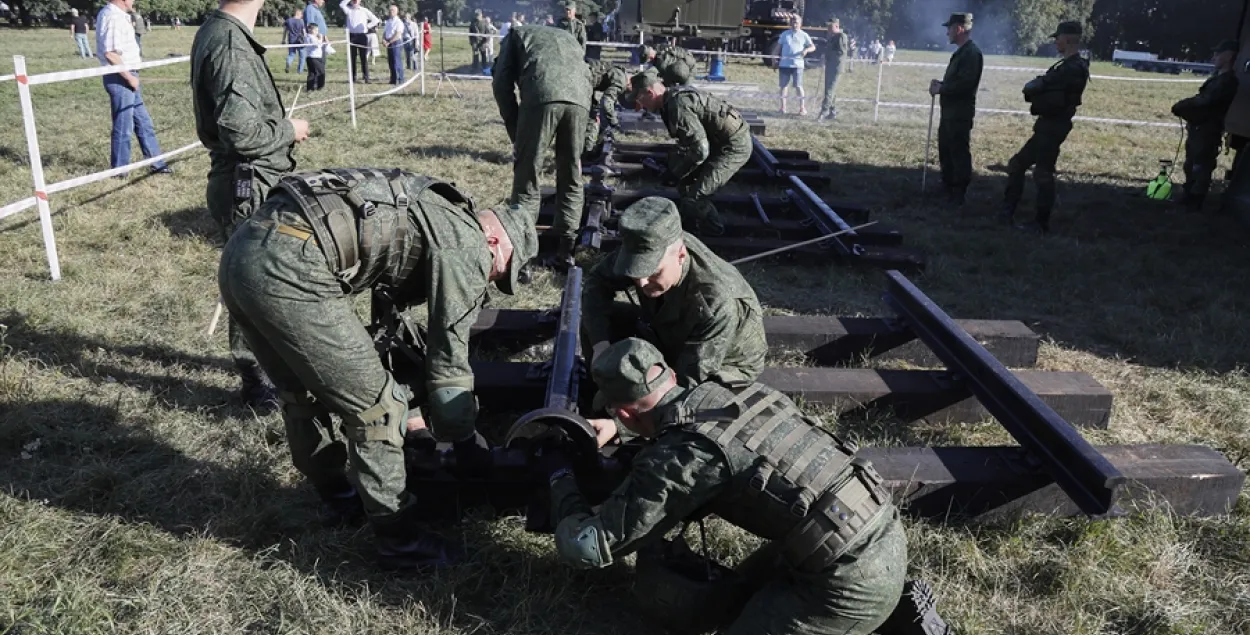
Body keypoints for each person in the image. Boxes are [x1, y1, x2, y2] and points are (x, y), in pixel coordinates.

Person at [217, 168, 538, 570]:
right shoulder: (468, 243)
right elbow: (449, 359)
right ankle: (400, 540)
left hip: (246, 248)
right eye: (500, 271)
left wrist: (418, 421)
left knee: (300, 392)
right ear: (493, 241)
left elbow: (387, 329)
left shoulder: (431, 207)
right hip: (293, 268)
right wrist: (465, 441)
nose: (492, 281)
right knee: (377, 409)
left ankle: (339, 498)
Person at [542, 337, 952, 635]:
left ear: (625, 411)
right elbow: (716, 434)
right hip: (875, 530)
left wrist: (560, 481)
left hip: (846, 580)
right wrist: (621, 429)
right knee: (732, 602)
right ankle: (880, 613)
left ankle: (881, 620)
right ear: (665, 374)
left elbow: (586, 546)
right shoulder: (737, 391)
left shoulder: (684, 457)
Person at [191, 0, 310, 409]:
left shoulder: (222, 32)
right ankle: (258, 381)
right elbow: (242, 134)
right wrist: (289, 129)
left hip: (251, 180)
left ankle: (267, 370)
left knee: (260, 282)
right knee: (253, 285)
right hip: (249, 185)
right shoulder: (228, 42)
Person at [582, 197, 766, 386]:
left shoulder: (717, 301)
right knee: (597, 321)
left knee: (694, 401)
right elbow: (597, 282)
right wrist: (600, 345)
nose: (642, 282)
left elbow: (689, 380)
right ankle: (598, 389)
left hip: (721, 361)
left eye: (652, 272)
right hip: (670, 332)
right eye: (636, 272)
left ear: (681, 256)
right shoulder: (652, 242)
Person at [491, 24, 591, 265]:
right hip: (580, 97)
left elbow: (501, 84)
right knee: (572, 173)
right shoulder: (568, 37)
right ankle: (565, 249)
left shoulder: (515, 36)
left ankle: (522, 255)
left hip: (542, 93)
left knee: (528, 176)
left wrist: (517, 133)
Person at [629, 72, 751, 236]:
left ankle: (714, 237)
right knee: (685, 185)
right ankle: (691, 227)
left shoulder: (677, 105)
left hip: (733, 147)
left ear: (650, 93)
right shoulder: (671, 99)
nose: (640, 106)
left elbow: (700, 150)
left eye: (640, 100)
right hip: (718, 142)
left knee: (696, 197)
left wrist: (676, 171)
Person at [1001, 21, 1089, 234]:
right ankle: (1009, 214)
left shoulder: (1073, 68)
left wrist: (1038, 87)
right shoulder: (1066, 66)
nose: (1056, 42)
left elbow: (1043, 88)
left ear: (1068, 39)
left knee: (1041, 173)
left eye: (1058, 38)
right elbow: (1040, 87)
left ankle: (1038, 223)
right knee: (1021, 166)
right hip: (1048, 125)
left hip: (1053, 126)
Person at [96, 0, 172, 175]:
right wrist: (129, 77)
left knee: (144, 123)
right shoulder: (112, 16)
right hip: (121, 77)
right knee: (124, 126)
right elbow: (110, 53)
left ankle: (157, 163)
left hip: (128, 75)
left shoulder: (119, 15)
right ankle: (120, 171)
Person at [1172, 39, 1240, 212]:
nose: (1214, 57)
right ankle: (1189, 192)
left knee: (1201, 164)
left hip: (1209, 129)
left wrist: (1184, 104)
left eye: (1219, 53)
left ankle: (1196, 198)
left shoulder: (1228, 81)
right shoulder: (1218, 79)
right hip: (1199, 127)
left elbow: (1207, 100)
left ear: (1229, 56)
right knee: (1191, 163)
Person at [929, 12, 983, 207]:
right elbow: (956, 81)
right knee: (946, 148)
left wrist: (942, 88)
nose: (947, 34)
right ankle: (947, 185)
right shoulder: (962, 52)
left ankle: (958, 191)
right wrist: (941, 84)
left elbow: (965, 84)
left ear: (959, 28)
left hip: (959, 113)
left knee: (958, 151)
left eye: (949, 29)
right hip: (950, 112)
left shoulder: (972, 53)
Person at [584, 59, 628, 151]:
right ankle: (586, 150)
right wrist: (615, 123)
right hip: (584, 81)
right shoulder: (622, 80)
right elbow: (606, 103)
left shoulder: (618, 72)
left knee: (592, 115)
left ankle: (585, 148)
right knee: (592, 120)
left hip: (586, 80)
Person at [777, 16, 815, 115]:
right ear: (790, 23)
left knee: (798, 86)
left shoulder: (804, 35)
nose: (794, 24)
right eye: (793, 22)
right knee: (783, 86)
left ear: (800, 24)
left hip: (798, 65)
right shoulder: (785, 34)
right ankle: (783, 108)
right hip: (784, 65)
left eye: (796, 23)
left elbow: (812, 47)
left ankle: (802, 108)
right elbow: (778, 47)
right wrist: (773, 59)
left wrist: (806, 50)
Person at [340, 0, 380, 83]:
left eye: (356, 0)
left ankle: (366, 77)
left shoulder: (364, 10)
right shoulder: (349, 10)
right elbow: (341, 4)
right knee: (352, 58)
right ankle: (353, 78)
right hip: (351, 36)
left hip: (362, 36)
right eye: (353, 0)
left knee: (363, 58)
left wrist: (367, 26)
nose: (355, 1)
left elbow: (375, 20)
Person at [817, 18, 848, 122]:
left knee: (830, 90)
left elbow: (841, 52)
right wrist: (824, 56)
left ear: (836, 26)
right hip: (830, 66)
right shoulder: (832, 37)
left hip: (836, 66)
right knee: (829, 90)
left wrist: (828, 56)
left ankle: (823, 112)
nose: (828, 29)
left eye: (830, 27)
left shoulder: (841, 36)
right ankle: (832, 111)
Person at [383, 4, 405, 84]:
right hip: (388, 43)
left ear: (396, 12)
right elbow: (385, 32)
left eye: (392, 10)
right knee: (391, 62)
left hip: (396, 43)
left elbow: (397, 34)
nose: (390, 12)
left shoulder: (398, 22)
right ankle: (393, 79)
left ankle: (400, 79)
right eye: (390, 10)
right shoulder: (388, 21)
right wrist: (384, 40)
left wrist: (389, 42)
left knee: (397, 61)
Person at [282, 7, 306, 73]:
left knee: (291, 54)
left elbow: (285, 31)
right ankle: (299, 71)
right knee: (302, 56)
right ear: (298, 13)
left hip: (291, 40)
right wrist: (306, 40)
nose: (302, 15)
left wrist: (283, 40)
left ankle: (288, 62)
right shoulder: (301, 21)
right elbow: (304, 32)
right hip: (300, 41)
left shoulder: (288, 20)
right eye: (301, 14)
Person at [305, 23, 327, 91]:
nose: (317, 32)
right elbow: (317, 45)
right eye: (316, 30)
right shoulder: (311, 37)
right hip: (315, 57)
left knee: (312, 73)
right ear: (311, 30)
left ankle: (310, 88)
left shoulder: (307, 36)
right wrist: (320, 38)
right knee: (321, 72)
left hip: (310, 57)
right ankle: (320, 87)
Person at [469, 8, 488, 73]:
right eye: (476, 15)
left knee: (484, 57)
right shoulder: (473, 22)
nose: (477, 17)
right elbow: (470, 32)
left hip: (482, 42)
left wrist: (486, 42)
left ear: (481, 14)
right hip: (475, 43)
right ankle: (475, 69)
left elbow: (487, 32)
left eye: (478, 15)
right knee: (475, 56)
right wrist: (471, 42)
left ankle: (485, 69)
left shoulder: (484, 22)